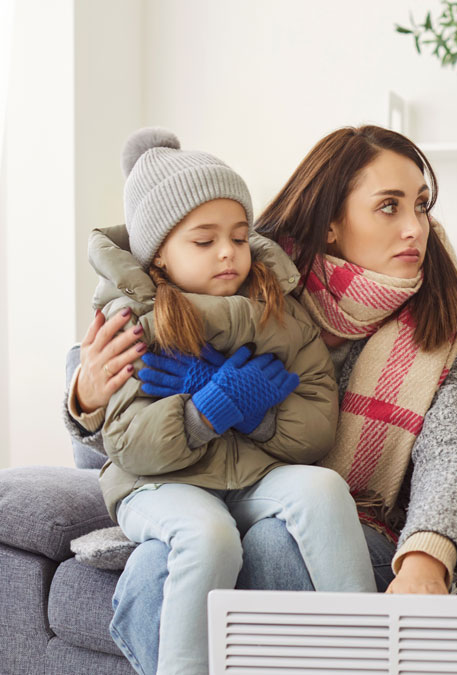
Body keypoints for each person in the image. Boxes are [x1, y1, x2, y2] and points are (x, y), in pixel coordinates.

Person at [65, 125, 457, 673]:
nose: (416, 227)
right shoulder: (261, 280)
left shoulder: (441, 323)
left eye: (423, 205)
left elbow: (455, 449)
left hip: (342, 511)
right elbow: (121, 411)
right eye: (389, 206)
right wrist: (85, 399)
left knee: (270, 542)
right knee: (161, 561)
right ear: (332, 224)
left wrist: (427, 557)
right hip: (190, 485)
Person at [82, 128, 375, 674]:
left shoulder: (279, 312)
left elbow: (316, 424)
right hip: (162, 484)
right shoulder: (133, 323)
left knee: (322, 486)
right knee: (208, 535)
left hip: (254, 475)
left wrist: (260, 414)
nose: (228, 252)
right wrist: (204, 412)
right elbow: (126, 444)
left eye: (240, 237)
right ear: (160, 255)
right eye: (203, 240)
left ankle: (364, 653)